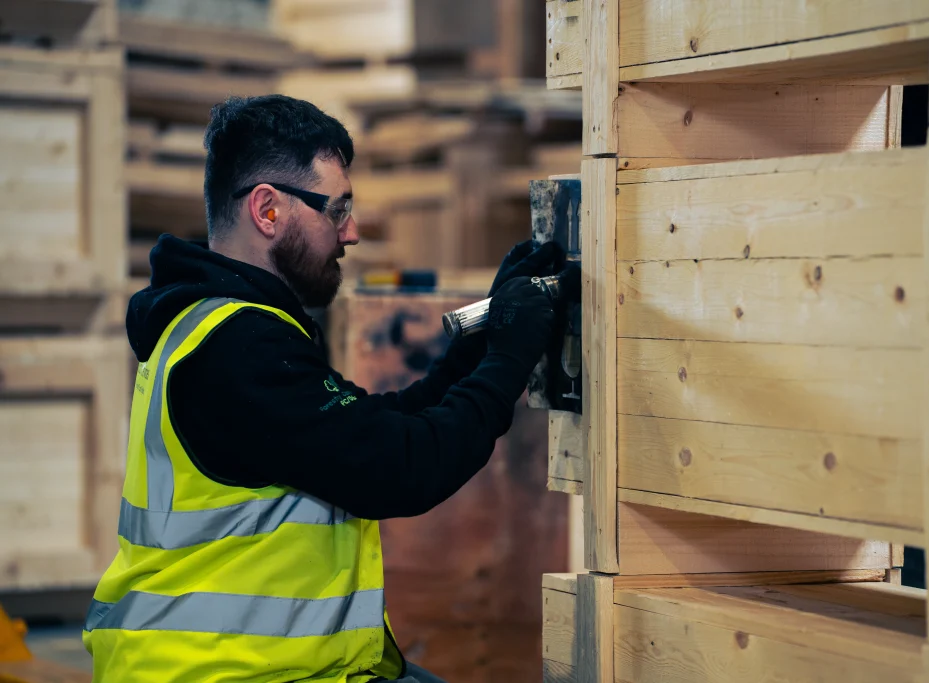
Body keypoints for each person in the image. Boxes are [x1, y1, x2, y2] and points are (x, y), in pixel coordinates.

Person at [82, 94, 576, 682]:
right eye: (336, 209)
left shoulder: (226, 328)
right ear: (267, 211)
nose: (354, 233)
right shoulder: (235, 349)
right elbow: (402, 467)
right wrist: (510, 357)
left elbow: (367, 432)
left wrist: (477, 348)